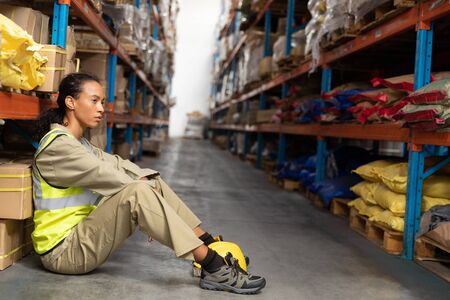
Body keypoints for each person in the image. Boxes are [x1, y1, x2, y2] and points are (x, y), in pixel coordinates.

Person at [32, 73, 266, 294]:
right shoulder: (58, 147)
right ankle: (213, 266)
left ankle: (208, 242)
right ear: (71, 103)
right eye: (94, 101)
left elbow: (117, 164)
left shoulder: (78, 143)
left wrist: (149, 186)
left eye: (102, 102)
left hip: (82, 238)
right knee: (137, 191)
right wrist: (146, 195)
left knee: (150, 181)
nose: (102, 108)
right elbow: (104, 173)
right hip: (64, 252)